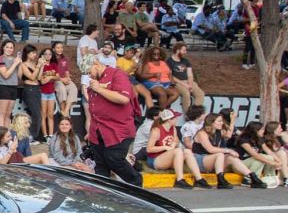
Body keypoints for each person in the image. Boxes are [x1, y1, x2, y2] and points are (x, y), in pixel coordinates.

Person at [84, 53, 143, 186]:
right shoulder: (93, 84)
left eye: (90, 72)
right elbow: (94, 109)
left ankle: (136, 182)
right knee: (100, 164)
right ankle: (101, 193)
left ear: (96, 64)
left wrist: (99, 89)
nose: (90, 76)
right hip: (98, 131)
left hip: (118, 129)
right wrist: (91, 131)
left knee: (114, 159)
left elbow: (123, 98)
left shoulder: (117, 75)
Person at [194, 113, 263, 188]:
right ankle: (220, 180)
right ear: (211, 122)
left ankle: (252, 177)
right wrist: (228, 150)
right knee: (220, 154)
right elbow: (210, 149)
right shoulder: (202, 133)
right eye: (219, 121)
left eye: (222, 121)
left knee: (231, 157)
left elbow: (229, 135)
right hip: (200, 160)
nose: (222, 123)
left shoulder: (219, 131)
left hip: (213, 160)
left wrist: (233, 120)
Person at [146, 108, 210, 189]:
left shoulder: (173, 129)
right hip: (155, 159)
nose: (177, 119)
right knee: (178, 151)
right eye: (175, 118)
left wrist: (174, 143)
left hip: (167, 157)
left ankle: (199, 179)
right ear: (169, 120)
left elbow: (176, 141)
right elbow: (149, 149)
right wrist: (165, 147)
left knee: (187, 151)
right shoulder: (156, 130)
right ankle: (179, 180)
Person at [236, 121, 282, 187]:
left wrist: (278, 161)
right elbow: (255, 155)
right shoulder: (244, 139)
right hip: (241, 163)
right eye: (262, 129)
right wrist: (273, 163)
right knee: (261, 158)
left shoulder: (259, 139)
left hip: (253, 162)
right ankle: (248, 179)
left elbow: (269, 151)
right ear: (255, 131)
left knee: (269, 157)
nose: (263, 131)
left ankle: (270, 177)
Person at [18, 44, 44, 138]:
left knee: (37, 114)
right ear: (28, 54)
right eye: (33, 53)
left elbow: (39, 77)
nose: (35, 55)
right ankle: (31, 136)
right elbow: (32, 77)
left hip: (37, 89)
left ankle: (33, 136)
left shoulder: (34, 64)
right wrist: (38, 66)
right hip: (29, 89)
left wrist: (41, 66)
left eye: (35, 53)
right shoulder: (23, 64)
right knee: (36, 115)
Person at [0, 40, 22, 128]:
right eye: (7, 47)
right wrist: (15, 64)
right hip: (3, 87)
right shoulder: (0, 59)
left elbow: (20, 76)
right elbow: (5, 75)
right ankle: (0, 136)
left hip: (13, 87)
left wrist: (20, 64)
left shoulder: (15, 59)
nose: (9, 49)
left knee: (8, 114)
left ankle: (7, 135)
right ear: (3, 48)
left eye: (11, 48)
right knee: (2, 113)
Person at [51, 41, 78, 119]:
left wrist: (68, 78)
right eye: (58, 48)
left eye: (61, 47)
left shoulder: (64, 59)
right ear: (53, 49)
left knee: (73, 88)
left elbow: (67, 71)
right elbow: (53, 74)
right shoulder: (51, 59)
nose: (60, 49)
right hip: (56, 80)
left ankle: (65, 111)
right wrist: (62, 80)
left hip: (64, 79)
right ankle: (64, 113)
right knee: (62, 89)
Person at [38, 46, 58, 139]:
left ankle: (51, 135)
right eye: (45, 54)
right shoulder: (41, 64)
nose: (48, 55)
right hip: (43, 92)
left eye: (49, 54)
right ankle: (45, 136)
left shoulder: (54, 64)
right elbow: (41, 81)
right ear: (42, 55)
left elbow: (57, 77)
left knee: (50, 115)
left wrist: (49, 77)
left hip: (51, 93)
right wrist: (51, 77)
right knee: (43, 115)